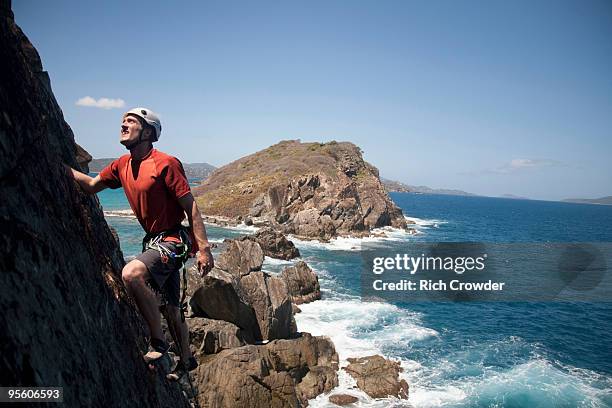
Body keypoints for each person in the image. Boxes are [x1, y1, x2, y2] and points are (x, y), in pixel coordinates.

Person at [66, 107, 214, 375]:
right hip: (153, 241)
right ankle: (187, 360)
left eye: (131, 121)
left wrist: (203, 249)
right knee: (170, 306)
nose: (124, 123)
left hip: (174, 240)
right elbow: (90, 185)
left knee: (132, 274)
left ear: (147, 133)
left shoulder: (165, 163)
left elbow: (190, 206)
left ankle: (158, 341)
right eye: (123, 120)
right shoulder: (121, 165)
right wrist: (61, 168)